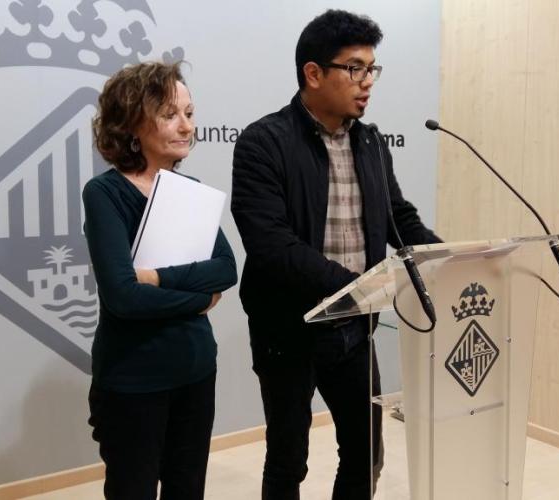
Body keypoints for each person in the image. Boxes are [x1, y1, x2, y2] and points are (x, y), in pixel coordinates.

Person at [231, 9, 441, 500]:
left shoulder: (370, 142)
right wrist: (355, 287)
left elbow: (398, 218)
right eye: (354, 68)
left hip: (355, 329)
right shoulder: (264, 142)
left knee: (366, 454)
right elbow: (271, 245)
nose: (367, 82)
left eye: (372, 68)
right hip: (288, 330)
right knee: (288, 458)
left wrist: (444, 257)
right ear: (313, 73)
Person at [83, 61, 237, 500]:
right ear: (132, 123)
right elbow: (123, 298)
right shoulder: (105, 194)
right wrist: (200, 298)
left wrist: (153, 277)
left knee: (187, 490)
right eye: (170, 114)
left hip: (196, 370)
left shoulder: (189, 190)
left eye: (189, 113)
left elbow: (227, 269)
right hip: (134, 380)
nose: (186, 126)